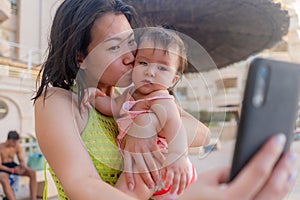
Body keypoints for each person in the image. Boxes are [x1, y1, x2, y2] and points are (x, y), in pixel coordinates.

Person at [33, 0, 298, 199]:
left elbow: (202, 134)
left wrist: (145, 125)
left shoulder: (142, 95)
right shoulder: (58, 101)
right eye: (114, 46)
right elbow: (82, 185)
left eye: (130, 43)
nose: (130, 56)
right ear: (82, 57)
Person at [82, 26, 201, 199]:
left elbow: (176, 128)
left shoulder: (162, 99)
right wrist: (96, 97)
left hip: (159, 162)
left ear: (174, 79)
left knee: (128, 187)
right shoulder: (129, 93)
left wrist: (179, 157)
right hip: (147, 163)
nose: (150, 72)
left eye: (162, 68)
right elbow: (113, 107)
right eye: (143, 63)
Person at [0, 131, 37, 200]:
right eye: (13, 141)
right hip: (3, 168)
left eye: (16, 141)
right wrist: (12, 170)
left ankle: (33, 198)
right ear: (9, 139)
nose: (15, 143)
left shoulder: (17, 146)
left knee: (32, 172)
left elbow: (21, 160)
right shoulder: (1, 147)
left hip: (12, 165)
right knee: (4, 180)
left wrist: (23, 166)